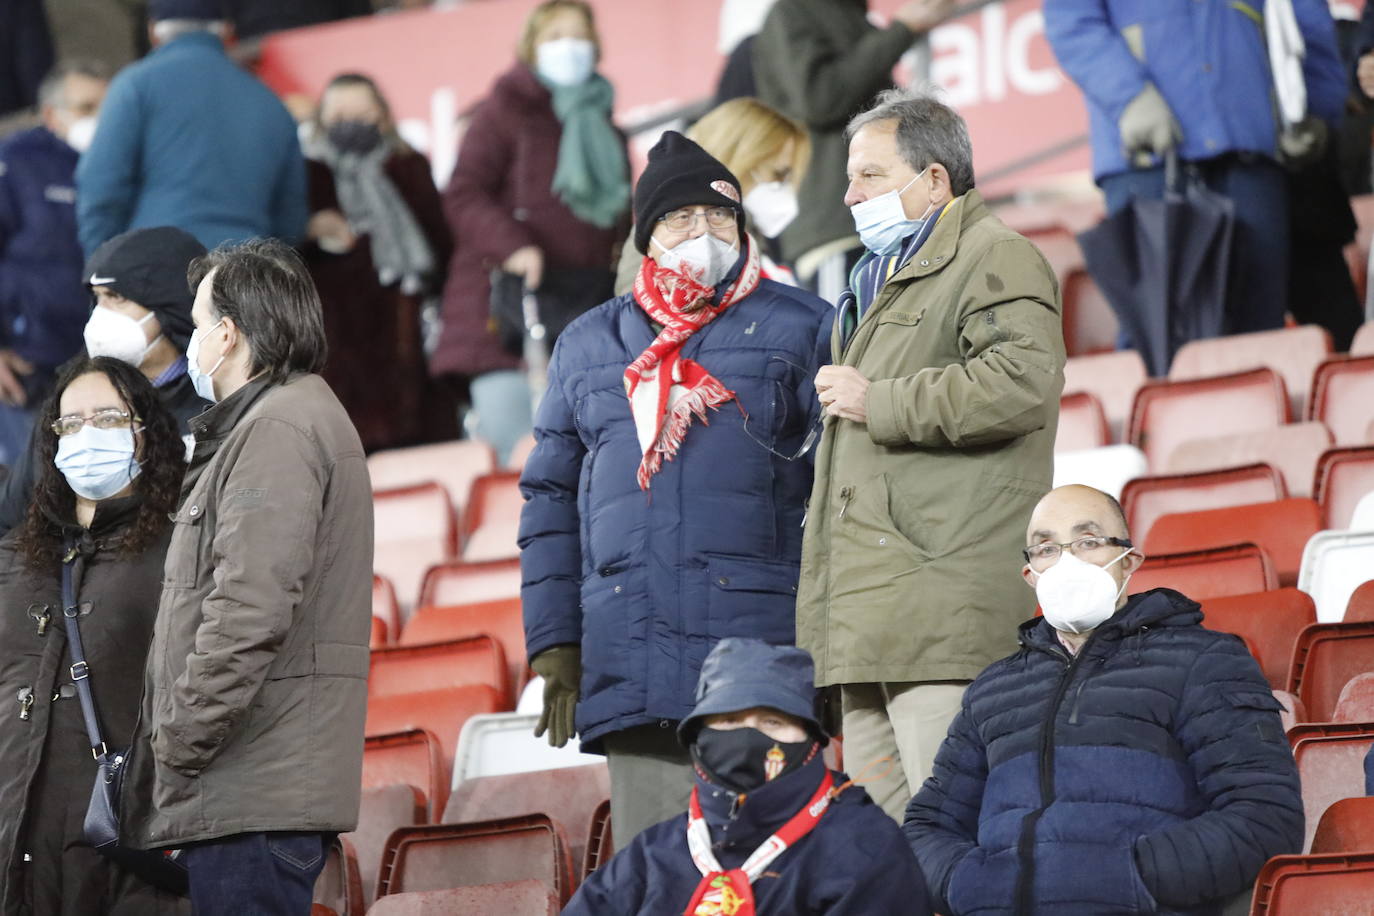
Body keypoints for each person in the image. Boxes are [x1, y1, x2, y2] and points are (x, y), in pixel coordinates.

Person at [519, 131, 830, 848]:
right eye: (682, 219)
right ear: (647, 236)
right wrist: (555, 641)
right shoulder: (588, 342)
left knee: (773, 873)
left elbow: (836, 490)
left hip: (763, 666)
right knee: (660, 877)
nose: (703, 233)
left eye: (720, 217)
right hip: (630, 663)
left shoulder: (804, 325)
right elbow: (549, 501)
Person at [795, 90, 1065, 823]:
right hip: (875, 623)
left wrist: (877, 400)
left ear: (937, 179)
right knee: (898, 857)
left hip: (940, 618)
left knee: (959, 840)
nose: (849, 196)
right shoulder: (875, 280)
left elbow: (1022, 384)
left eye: (871, 177)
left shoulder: (994, 254)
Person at [905, 484, 1305, 916]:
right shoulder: (993, 689)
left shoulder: (1205, 660)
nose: (1066, 561)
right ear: (1029, 574)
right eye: (1045, 548)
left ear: (1129, 560)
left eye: (1089, 542)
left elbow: (1265, 816)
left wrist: (1133, 876)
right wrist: (971, 884)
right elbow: (927, 828)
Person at [121, 239, 372, 916]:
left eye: (199, 325)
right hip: (255, 788)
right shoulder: (282, 418)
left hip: (251, 792)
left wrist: (177, 738)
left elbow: (248, 610)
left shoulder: (277, 429)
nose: (193, 340)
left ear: (228, 335)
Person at [0, 356, 187, 916]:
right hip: (16, 843)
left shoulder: (179, 549)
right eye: (70, 423)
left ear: (144, 436)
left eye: (107, 418)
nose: (87, 435)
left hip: (127, 851)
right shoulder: (14, 560)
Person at [1044, 0, 1346, 341]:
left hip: (1250, 152)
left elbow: (1305, 14)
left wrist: (1318, 108)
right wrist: (1129, 97)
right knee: (1157, 338)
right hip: (1148, 158)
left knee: (1257, 331)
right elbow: (1070, 19)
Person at [564, 638, 930, 916]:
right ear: (697, 740)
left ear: (812, 741)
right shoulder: (652, 854)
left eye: (773, 723)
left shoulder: (864, 844)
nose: (747, 740)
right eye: (728, 722)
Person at [434, 0, 630, 465]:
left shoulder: (606, 127)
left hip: (584, 308)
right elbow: (463, 194)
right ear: (531, 48)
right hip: (506, 311)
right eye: (555, 36)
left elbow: (619, 221)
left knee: (586, 453)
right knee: (516, 452)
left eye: (579, 35)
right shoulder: (502, 112)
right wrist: (514, 246)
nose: (570, 47)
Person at [0, 226, 210, 535]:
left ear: (168, 307)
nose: (100, 315)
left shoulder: (215, 404)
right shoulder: (71, 395)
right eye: (96, 299)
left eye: (115, 297)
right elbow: (14, 518)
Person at [752, 0, 953, 302]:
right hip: (837, 227)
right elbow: (819, 99)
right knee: (845, 347)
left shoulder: (851, 16)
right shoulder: (793, 10)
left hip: (884, 222)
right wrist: (901, 31)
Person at [75, 0, 307, 256]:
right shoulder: (271, 102)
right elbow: (291, 217)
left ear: (153, 30)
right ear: (227, 31)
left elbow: (101, 190)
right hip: (246, 271)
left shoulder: (135, 85)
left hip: (156, 268)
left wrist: (101, 274)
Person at [302, 72, 455, 452]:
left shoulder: (408, 166)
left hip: (408, 334)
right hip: (335, 343)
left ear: (383, 115)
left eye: (362, 111)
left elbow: (442, 246)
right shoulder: (307, 175)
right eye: (340, 114)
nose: (351, 122)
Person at [0, 60, 110, 464]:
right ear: (51, 114)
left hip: (97, 359)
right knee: (31, 491)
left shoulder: (115, 162)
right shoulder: (15, 163)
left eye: (106, 107)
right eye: (86, 107)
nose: (99, 119)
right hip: (29, 360)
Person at [613, 97, 811, 295]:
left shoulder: (751, 237)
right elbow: (636, 306)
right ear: (742, 158)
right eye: (778, 174)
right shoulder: (663, 226)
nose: (785, 187)